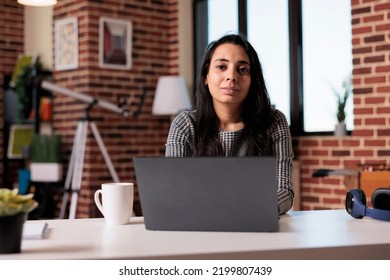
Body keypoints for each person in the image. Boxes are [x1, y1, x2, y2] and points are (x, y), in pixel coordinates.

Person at [165, 34, 294, 215]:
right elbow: (175, 190)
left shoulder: (274, 122)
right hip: (200, 229)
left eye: (242, 69)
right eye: (221, 67)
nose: (231, 76)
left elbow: (284, 192)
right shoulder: (185, 124)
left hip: (257, 224)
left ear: (252, 80)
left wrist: (251, 211)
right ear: (206, 77)